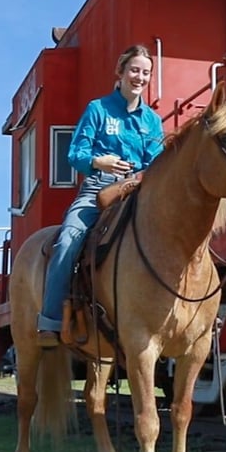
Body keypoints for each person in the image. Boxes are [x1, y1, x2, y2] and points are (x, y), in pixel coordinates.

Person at [37, 44, 165, 348]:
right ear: (119, 73)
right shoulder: (98, 109)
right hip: (98, 188)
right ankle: (51, 321)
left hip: (137, 190)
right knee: (68, 238)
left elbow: (157, 162)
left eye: (146, 72)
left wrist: (143, 177)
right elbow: (74, 154)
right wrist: (99, 161)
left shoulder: (152, 121)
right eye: (134, 70)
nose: (140, 77)